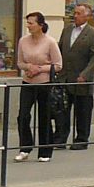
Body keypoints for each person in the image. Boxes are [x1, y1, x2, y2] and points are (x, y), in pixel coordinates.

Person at [53, 1, 94, 150]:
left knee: (83, 110)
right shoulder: (67, 30)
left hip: (82, 79)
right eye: (74, 13)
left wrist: (85, 74)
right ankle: (60, 138)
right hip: (65, 77)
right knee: (62, 109)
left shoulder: (93, 34)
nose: (75, 16)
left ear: (87, 16)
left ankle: (81, 138)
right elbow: (60, 49)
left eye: (78, 13)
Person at [15, 11, 61, 162]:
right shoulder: (23, 41)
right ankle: (25, 147)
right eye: (27, 22)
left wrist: (40, 69)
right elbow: (19, 62)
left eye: (31, 23)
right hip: (28, 81)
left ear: (40, 25)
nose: (28, 26)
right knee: (23, 115)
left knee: (44, 116)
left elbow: (58, 65)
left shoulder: (50, 42)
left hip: (44, 83)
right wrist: (28, 67)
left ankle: (45, 150)